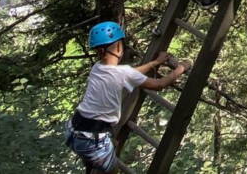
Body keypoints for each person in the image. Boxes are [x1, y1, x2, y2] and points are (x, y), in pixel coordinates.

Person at [66, 21, 187, 173]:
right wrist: (182, 67)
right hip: (93, 138)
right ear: (118, 46)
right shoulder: (123, 73)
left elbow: (130, 74)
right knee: (112, 170)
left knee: (99, 155)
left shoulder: (97, 68)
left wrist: (155, 63)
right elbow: (159, 84)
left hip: (74, 130)